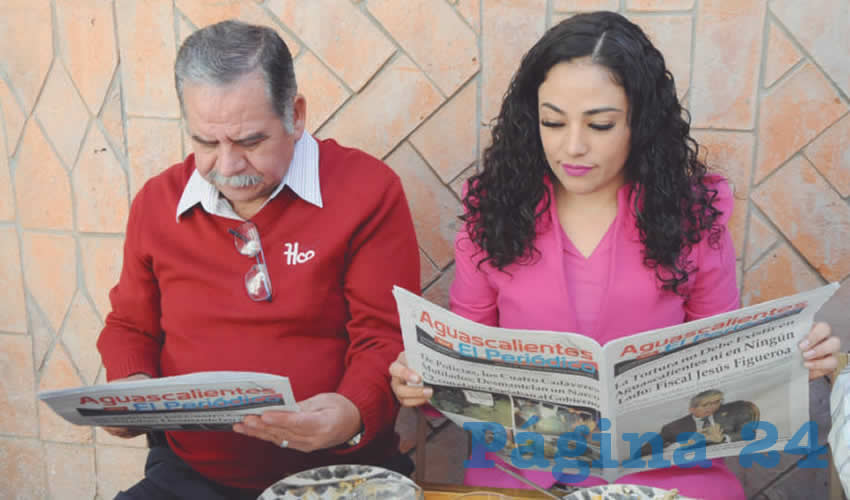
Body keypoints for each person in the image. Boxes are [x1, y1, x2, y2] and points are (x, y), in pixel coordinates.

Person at [389, 11, 841, 500]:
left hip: (666, 476)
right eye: (552, 122)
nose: (573, 147)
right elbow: (460, 364)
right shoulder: (494, 214)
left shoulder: (692, 220)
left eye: (600, 125)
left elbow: (721, 368)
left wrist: (791, 362)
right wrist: (422, 382)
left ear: (639, 123)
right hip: (522, 477)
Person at [96, 20, 420, 499]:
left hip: (337, 475)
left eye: (250, 141)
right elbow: (130, 325)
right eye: (206, 142)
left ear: (296, 115)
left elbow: (384, 335)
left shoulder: (368, 190)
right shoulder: (157, 202)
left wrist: (352, 411)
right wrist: (132, 393)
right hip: (191, 476)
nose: (226, 167)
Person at [660, 390, 756, 447]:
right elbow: (648, 450)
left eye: (717, 402)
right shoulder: (673, 427)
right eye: (705, 405)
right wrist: (684, 444)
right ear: (692, 409)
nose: (712, 408)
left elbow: (749, 433)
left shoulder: (735, 411)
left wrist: (723, 438)